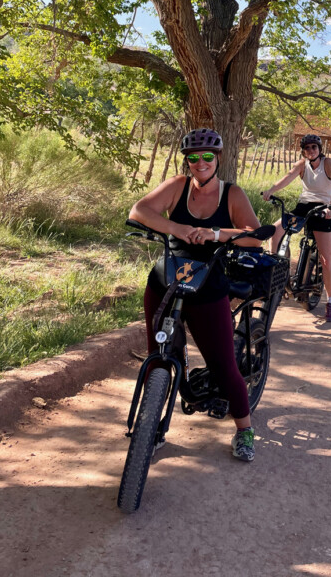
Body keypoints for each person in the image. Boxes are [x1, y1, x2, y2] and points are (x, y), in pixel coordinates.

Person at [129, 127, 262, 462]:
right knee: (158, 358)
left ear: (218, 158)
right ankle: (152, 429)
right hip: (165, 281)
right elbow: (139, 211)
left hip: (208, 287)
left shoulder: (232, 194)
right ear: (186, 161)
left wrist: (214, 233)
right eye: (193, 158)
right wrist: (177, 228)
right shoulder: (177, 186)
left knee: (223, 366)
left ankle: (244, 430)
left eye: (207, 157)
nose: (200, 163)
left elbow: (254, 236)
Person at [263, 134, 331, 322]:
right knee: (275, 232)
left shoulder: (327, 163)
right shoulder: (302, 164)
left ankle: (330, 301)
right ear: (303, 151)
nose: (311, 150)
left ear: (319, 149)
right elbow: (287, 178)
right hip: (304, 206)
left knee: (326, 260)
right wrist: (271, 190)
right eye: (307, 148)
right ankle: (278, 272)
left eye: (314, 147)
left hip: (325, 208)